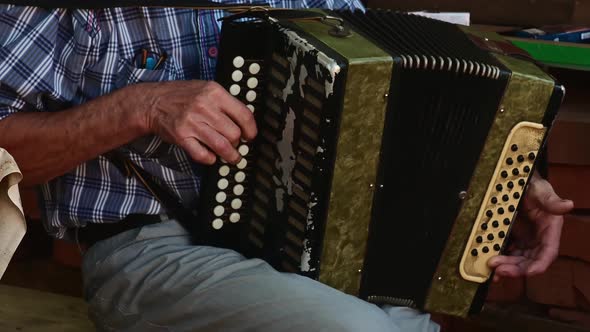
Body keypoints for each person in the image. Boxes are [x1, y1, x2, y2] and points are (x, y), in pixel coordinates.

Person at [0, 2, 573, 331]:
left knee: (409, 327)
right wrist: (138, 107)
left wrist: (513, 183)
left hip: (325, 257)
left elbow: (395, 114)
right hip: (153, 249)